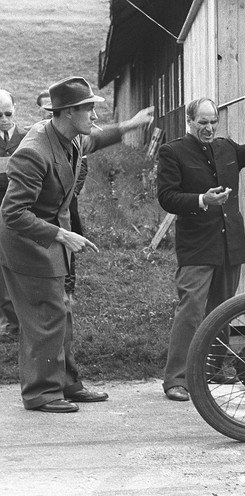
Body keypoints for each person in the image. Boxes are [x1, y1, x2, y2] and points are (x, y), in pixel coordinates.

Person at [0, 76, 154, 413]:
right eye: (89, 109)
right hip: (28, 246)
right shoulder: (34, 151)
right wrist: (60, 235)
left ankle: (66, 384)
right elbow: (11, 213)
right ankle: (41, 393)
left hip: (52, 241)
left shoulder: (70, 136)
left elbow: (95, 139)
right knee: (46, 317)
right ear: (69, 112)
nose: (95, 116)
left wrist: (131, 124)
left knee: (62, 312)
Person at [157, 92, 245, 402]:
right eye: (202, 123)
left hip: (229, 241)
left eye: (212, 123)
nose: (208, 129)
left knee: (222, 309)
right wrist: (201, 200)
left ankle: (213, 368)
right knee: (192, 310)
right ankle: (177, 379)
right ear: (190, 121)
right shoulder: (173, 152)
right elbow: (167, 197)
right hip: (196, 243)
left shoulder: (226, 148)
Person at [37, 90, 89, 302]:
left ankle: (67, 287)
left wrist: (71, 191)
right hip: (44, 208)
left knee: (70, 240)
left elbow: (82, 165)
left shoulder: (74, 138)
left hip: (67, 203)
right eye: (46, 107)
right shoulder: (37, 141)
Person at [0, 90, 25, 343]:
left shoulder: (27, 138)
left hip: (24, 212)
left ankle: (28, 318)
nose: (4, 119)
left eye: (8, 113)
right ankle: (10, 322)